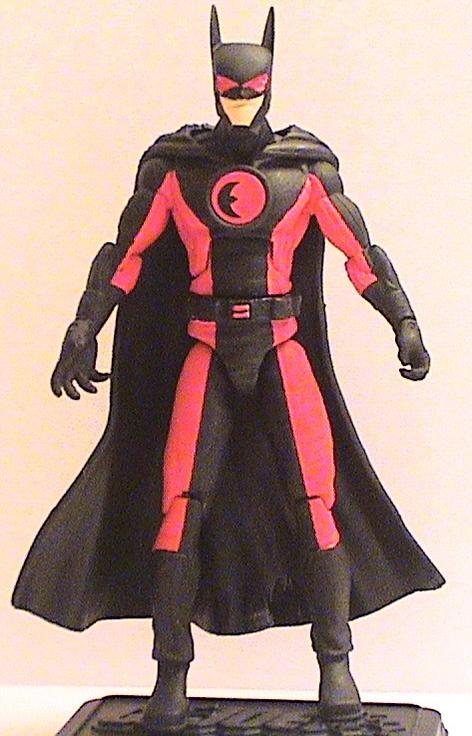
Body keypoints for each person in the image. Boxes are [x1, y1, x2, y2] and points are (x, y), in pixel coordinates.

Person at [13, 7, 444, 733]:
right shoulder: (176, 170)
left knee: (316, 500)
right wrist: (83, 328)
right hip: (207, 349)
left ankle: (335, 664)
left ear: (270, 85)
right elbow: (125, 255)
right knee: (180, 504)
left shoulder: (304, 170)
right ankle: (170, 674)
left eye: (251, 90)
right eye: (229, 89)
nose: (240, 101)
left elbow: (361, 254)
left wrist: (402, 321)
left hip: (281, 347)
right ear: (213, 85)